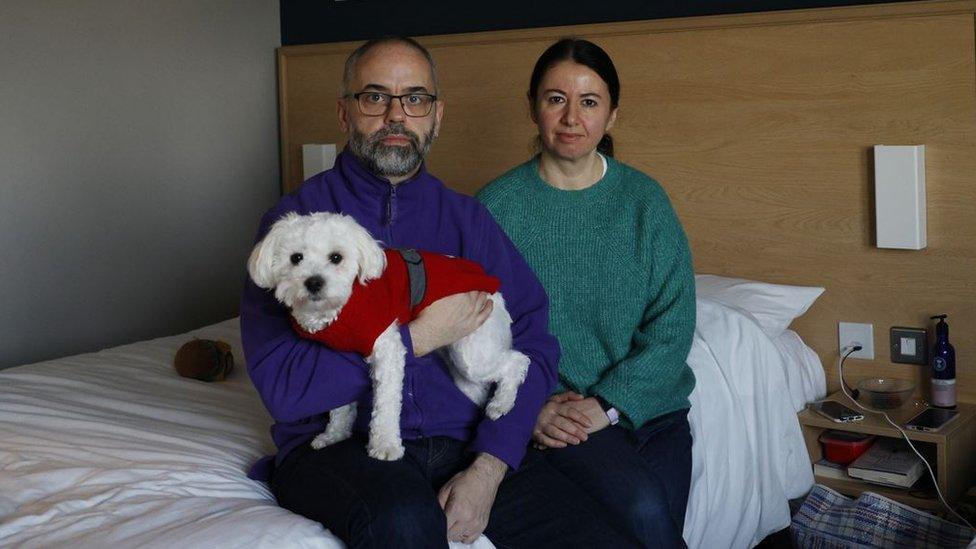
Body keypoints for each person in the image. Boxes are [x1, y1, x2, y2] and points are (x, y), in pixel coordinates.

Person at [240, 37, 638, 548]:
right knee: (407, 524)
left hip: (465, 440)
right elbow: (285, 388)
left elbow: (535, 341)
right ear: (344, 112)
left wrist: (490, 468)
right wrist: (419, 337)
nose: (396, 116)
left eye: (416, 99)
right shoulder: (292, 228)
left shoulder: (468, 220)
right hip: (340, 448)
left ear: (436, 115)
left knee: (608, 539)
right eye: (374, 97)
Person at [477, 38, 697, 548]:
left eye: (590, 102)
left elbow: (673, 326)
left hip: (653, 411)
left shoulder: (645, 201)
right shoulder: (495, 208)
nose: (572, 117)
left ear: (612, 115)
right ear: (532, 107)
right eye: (556, 99)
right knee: (643, 511)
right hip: (561, 412)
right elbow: (478, 332)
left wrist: (612, 403)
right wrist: (533, 407)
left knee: (655, 516)